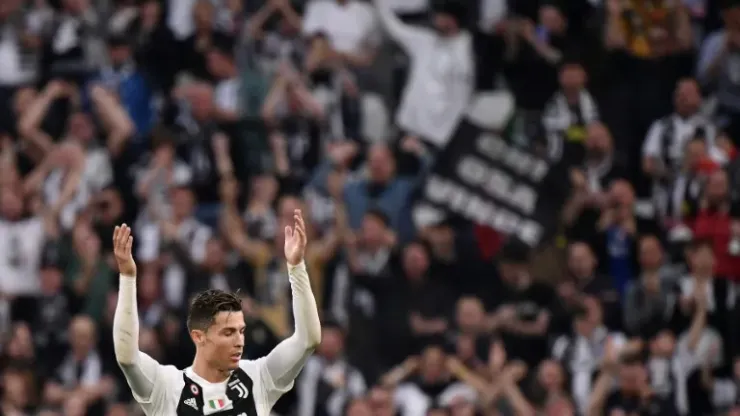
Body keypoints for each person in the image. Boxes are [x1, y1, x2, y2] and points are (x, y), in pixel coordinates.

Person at [111, 210, 321, 415]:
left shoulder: (257, 378)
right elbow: (127, 357)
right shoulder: (167, 387)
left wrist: (296, 267)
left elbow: (307, 340)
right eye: (228, 332)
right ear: (199, 337)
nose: (238, 341)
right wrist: (128, 278)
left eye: (240, 331)